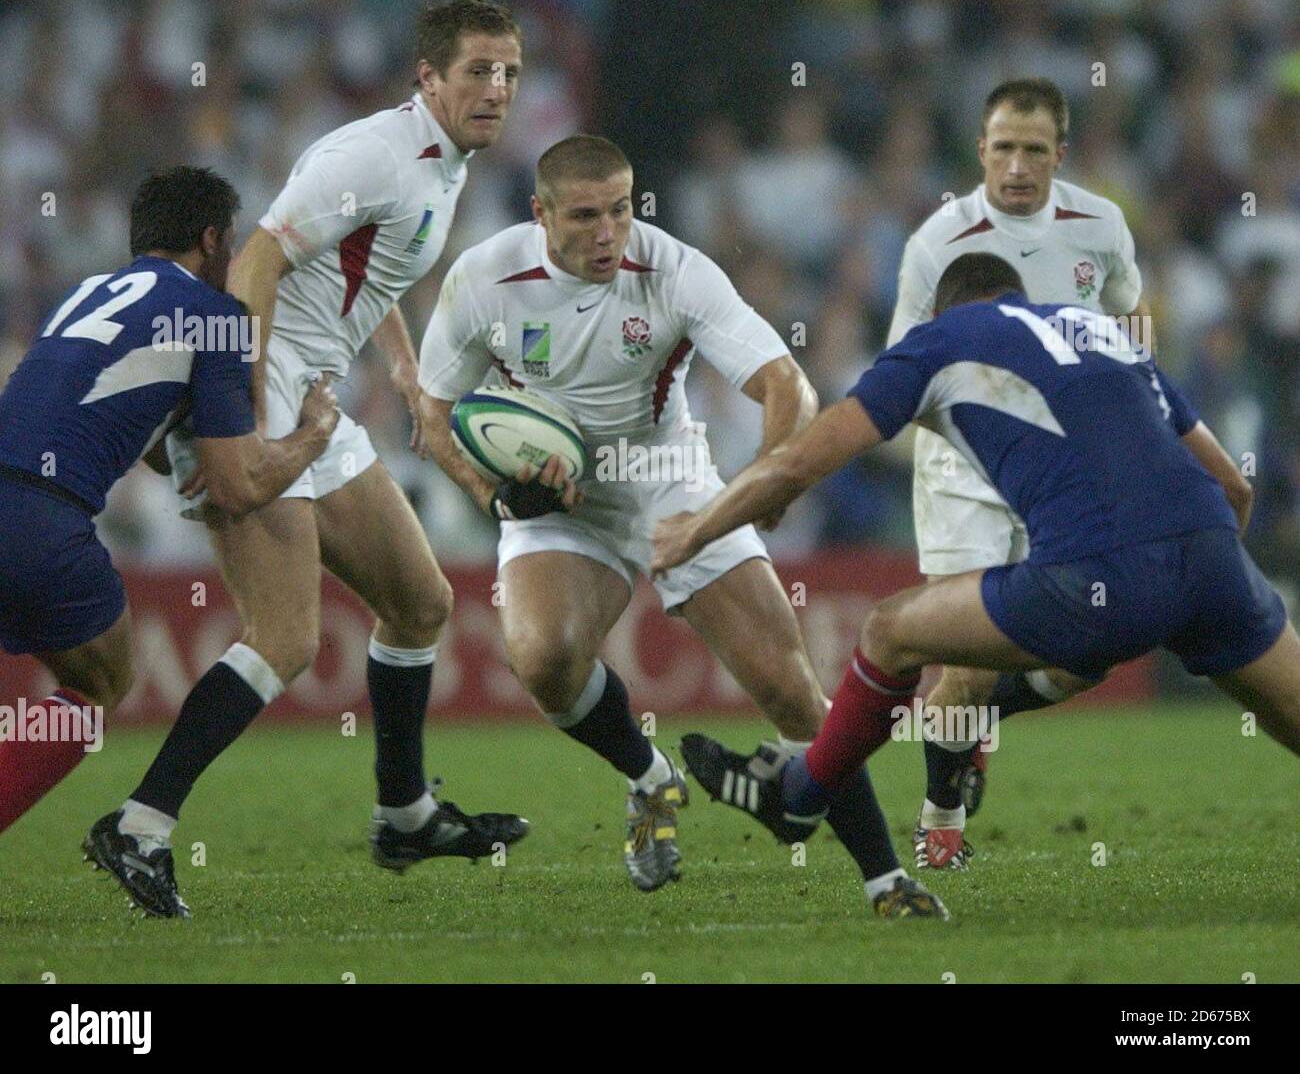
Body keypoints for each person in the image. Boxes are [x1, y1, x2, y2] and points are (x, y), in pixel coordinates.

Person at [651, 253, 1298, 918]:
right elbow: (1233, 486)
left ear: (940, 310)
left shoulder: (938, 343)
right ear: (1018, 296)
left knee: (889, 631)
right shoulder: (1098, 329)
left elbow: (800, 461)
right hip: (1215, 558)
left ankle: (799, 796)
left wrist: (696, 530)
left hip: (1096, 571)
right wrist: (1189, 584)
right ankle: (1039, 681)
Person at [416, 134, 945, 917]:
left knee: (786, 682)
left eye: (621, 211)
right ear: (540, 214)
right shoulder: (484, 278)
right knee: (543, 659)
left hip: (667, 476)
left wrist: (761, 489)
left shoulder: (672, 269)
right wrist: (494, 495)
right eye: (587, 216)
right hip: (557, 496)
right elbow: (432, 414)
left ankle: (886, 880)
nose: (609, 233)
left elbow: (785, 388)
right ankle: (649, 777)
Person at [89, 0, 528, 919]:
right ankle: (139, 824)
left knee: (421, 603)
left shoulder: (442, 166)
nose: (498, 89)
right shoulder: (371, 153)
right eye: (479, 72)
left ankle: (404, 812)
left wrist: (406, 376)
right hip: (260, 381)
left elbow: (375, 274)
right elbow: (257, 261)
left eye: (511, 73)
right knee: (286, 637)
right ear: (429, 77)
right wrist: (240, 409)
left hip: (313, 391)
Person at [0, 167, 339, 885]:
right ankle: (128, 822)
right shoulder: (213, 315)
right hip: (41, 518)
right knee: (98, 681)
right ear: (212, 239)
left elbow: (120, 413)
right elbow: (237, 484)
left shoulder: (85, 291)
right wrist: (313, 435)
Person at [886, 77, 1166, 869]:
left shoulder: (1102, 226)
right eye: (1002, 147)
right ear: (980, 150)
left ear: (1060, 155)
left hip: (1069, 475)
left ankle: (971, 731)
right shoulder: (936, 242)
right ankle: (941, 823)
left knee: (1090, 653)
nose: (1016, 165)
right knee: (970, 662)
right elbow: (902, 372)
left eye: (1034, 150)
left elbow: (1128, 320)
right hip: (966, 472)